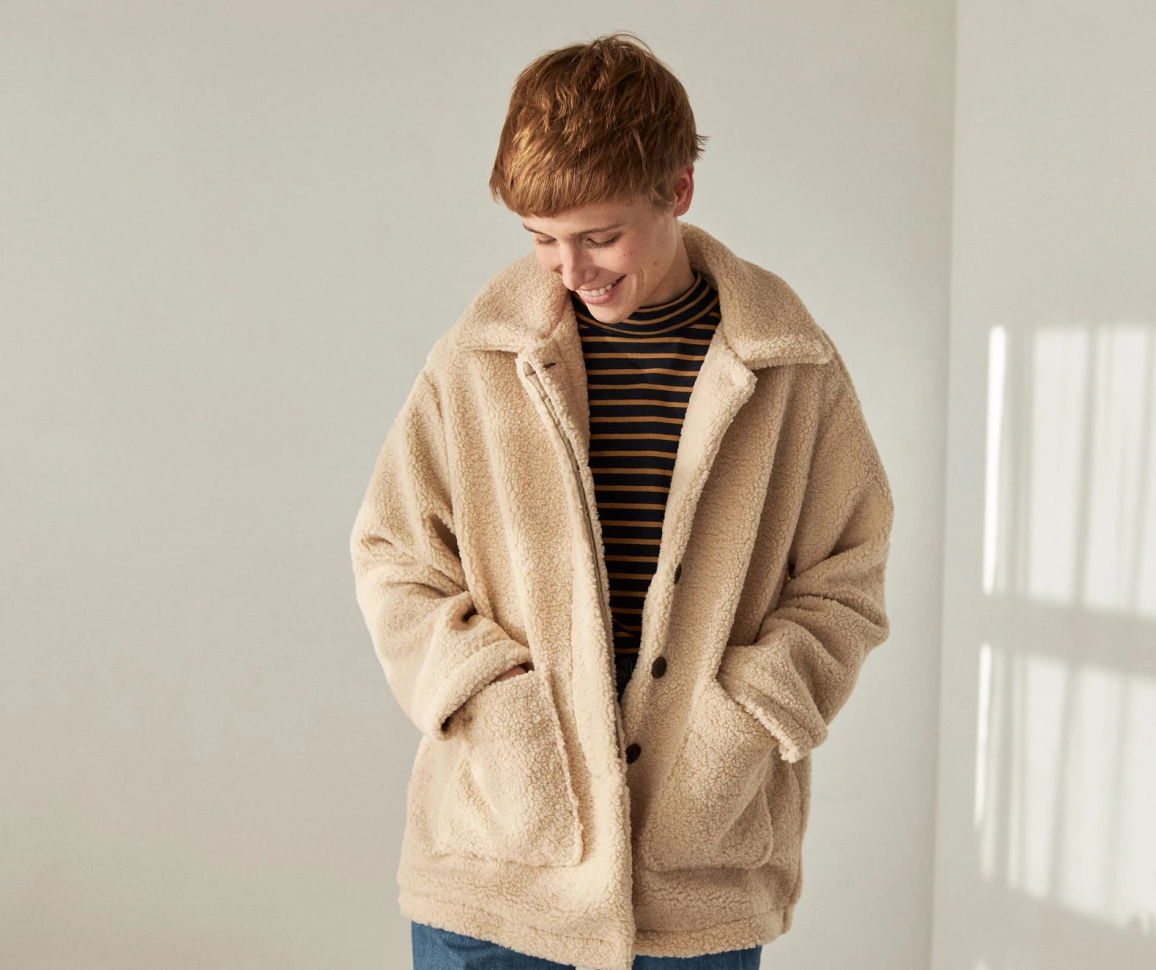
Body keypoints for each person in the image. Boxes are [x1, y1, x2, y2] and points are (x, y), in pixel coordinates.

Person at [350, 31, 893, 970]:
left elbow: (848, 573)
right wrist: (488, 694)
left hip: (694, 882)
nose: (571, 268)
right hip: (497, 871)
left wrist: (750, 712)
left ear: (678, 189)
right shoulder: (477, 361)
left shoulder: (788, 368)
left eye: (600, 236)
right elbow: (393, 553)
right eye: (541, 239)